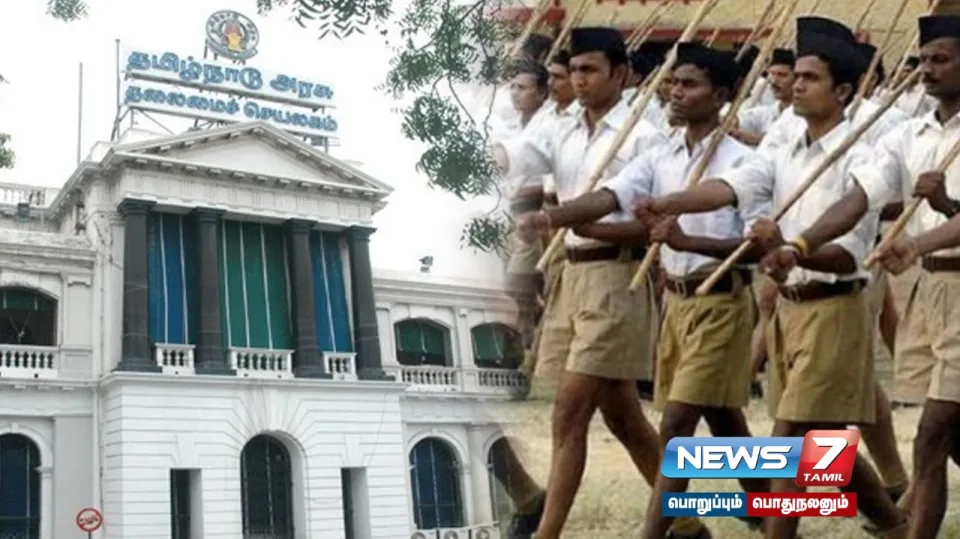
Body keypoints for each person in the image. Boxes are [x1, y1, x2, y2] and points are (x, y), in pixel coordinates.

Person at [636, 16, 909, 539]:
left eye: (810, 77)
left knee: (789, 442)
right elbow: (732, 186)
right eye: (795, 75)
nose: (796, 85)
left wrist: (794, 248)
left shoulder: (863, 151)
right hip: (788, 308)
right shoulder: (783, 147)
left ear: (843, 91)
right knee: (822, 448)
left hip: (835, 308)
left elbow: (847, 252)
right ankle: (894, 524)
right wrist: (670, 201)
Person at [519, 42, 770, 538]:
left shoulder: (749, 161)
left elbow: (754, 241)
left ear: (721, 95)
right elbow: (610, 195)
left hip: (722, 302)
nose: (675, 92)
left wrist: (681, 230)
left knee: (676, 425)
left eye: (689, 84)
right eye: (673, 82)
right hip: (676, 303)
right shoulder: (661, 154)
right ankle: (762, 508)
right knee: (723, 423)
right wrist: (554, 217)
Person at [493, 28, 710, 539]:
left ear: (621, 74)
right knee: (624, 418)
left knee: (568, 414)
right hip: (571, 274)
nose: (579, 80)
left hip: (617, 277)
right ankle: (686, 526)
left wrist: (578, 224)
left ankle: (546, 533)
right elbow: (517, 156)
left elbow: (652, 224)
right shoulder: (560, 127)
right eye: (573, 71)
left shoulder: (645, 136)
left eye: (590, 70)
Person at [765, 15, 960, 538]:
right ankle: (892, 522)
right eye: (923, 59)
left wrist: (926, 228)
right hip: (927, 289)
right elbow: (858, 199)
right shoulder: (908, 134)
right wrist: (801, 245)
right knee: (944, 437)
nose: (927, 69)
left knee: (930, 435)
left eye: (941, 59)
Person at [733, 48, 796, 147]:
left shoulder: (806, 117)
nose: (774, 81)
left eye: (782, 75)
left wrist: (755, 138)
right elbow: (743, 119)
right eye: (772, 74)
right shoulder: (767, 113)